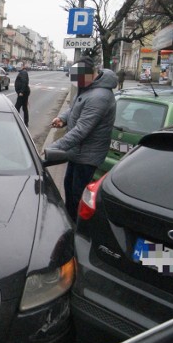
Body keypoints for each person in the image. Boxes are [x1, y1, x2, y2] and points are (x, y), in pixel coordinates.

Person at [47, 56, 117, 222]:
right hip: (77, 152)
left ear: (93, 73)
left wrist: (54, 147)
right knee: (69, 188)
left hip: (87, 155)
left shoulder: (99, 96)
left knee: (78, 195)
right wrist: (63, 118)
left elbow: (81, 130)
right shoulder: (89, 87)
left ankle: (80, 228)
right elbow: (75, 108)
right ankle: (70, 220)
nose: (77, 82)